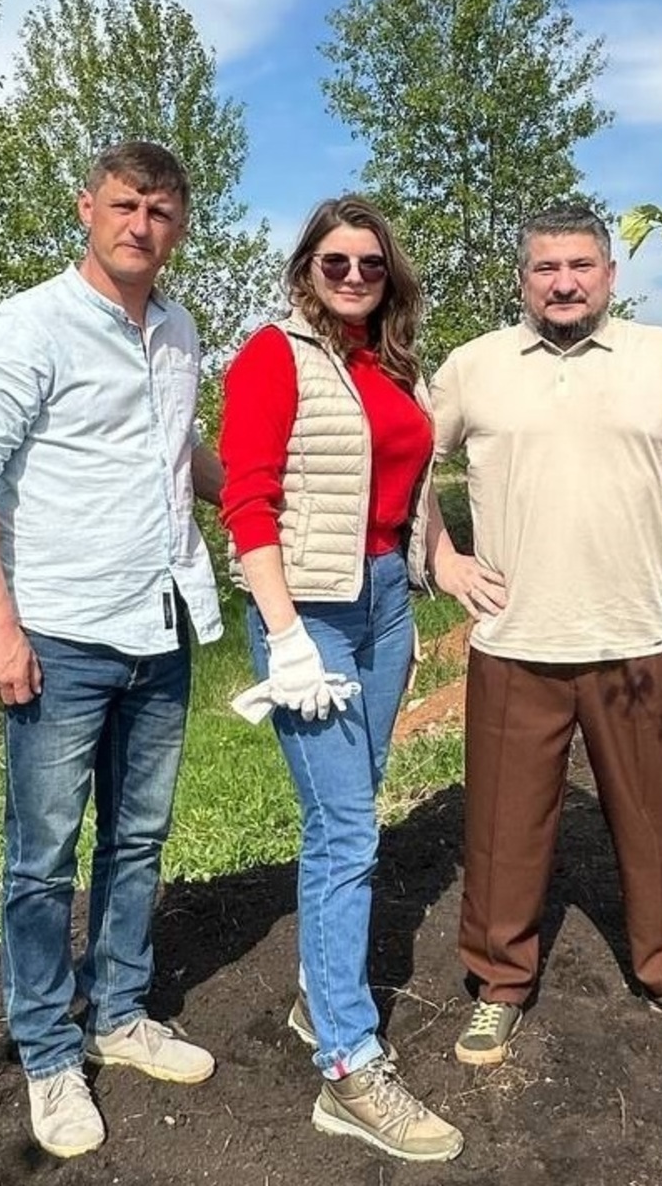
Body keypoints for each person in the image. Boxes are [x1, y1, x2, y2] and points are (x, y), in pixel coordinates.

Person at [429, 202, 662, 1068]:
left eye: (581, 266)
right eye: (546, 267)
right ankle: (500, 984)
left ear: (609, 274)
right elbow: (409, 457)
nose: (564, 283)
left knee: (650, 820)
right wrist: (442, 558)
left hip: (633, 638)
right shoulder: (474, 366)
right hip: (515, 640)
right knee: (502, 829)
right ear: (522, 277)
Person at [0, 142, 223, 1160]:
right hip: (57, 632)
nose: (142, 224)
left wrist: (265, 493)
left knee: (138, 836)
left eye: (162, 210)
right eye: (125, 204)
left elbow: (178, 451)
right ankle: (50, 1051)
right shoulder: (27, 327)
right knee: (43, 856)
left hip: (159, 621)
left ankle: (121, 1010)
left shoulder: (180, 328)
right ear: (86, 206)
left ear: (181, 225)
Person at [217, 196, 471, 1163]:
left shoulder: (392, 365)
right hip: (310, 616)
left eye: (371, 263)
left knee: (354, 809)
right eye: (336, 262)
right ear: (305, 268)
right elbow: (247, 496)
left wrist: (442, 561)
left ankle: (322, 997)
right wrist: (284, 636)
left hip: (385, 611)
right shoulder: (270, 357)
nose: (355, 276)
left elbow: (408, 488)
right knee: (343, 830)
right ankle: (349, 1069)